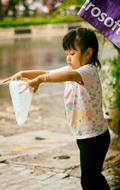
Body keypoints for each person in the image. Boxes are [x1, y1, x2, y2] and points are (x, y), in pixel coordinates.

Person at [2, 27, 110, 190]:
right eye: (66, 53)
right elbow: (48, 71)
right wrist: (24, 73)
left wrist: (41, 80)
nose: (68, 58)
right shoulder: (72, 69)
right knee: (92, 177)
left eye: (72, 53)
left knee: (89, 179)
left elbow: (61, 76)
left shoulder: (87, 71)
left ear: (88, 53)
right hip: (85, 134)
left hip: (94, 137)